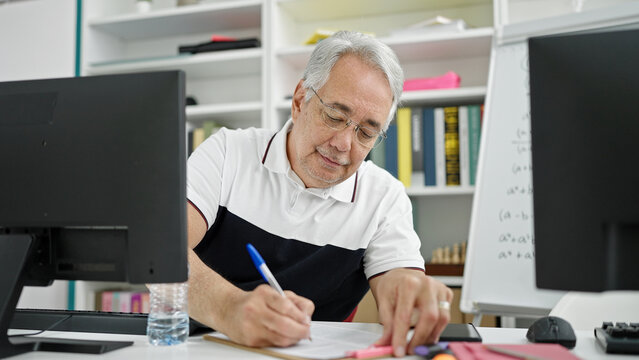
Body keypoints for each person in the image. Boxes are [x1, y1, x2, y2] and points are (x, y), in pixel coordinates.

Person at [185, 30, 453, 357]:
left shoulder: (384, 198)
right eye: (335, 116)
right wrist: (229, 308)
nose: (344, 145)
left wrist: (411, 298)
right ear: (300, 101)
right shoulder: (228, 153)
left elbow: (399, 283)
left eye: (366, 132)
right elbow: (162, 253)